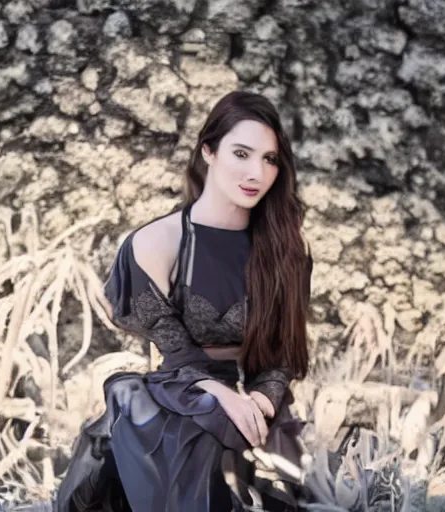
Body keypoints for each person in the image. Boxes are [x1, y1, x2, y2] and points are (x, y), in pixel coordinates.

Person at [56, 91, 313, 512]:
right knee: (204, 437)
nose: (256, 172)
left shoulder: (286, 249)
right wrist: (223, 395)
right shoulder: (157, 243)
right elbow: (178, 355)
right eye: (242, 154)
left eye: (269, 159)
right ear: (209, 151)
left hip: (257, 402)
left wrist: (261, 400)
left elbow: (284, 354)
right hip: (181, 392)